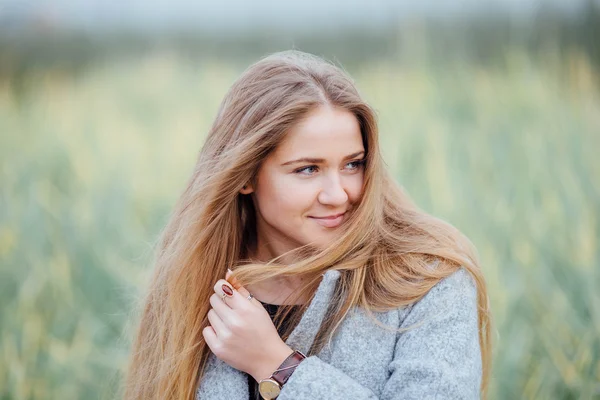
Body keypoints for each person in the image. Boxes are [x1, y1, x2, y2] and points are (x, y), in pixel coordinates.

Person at [123, 50, 492, 400]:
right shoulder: (193, 281)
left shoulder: (428, 280)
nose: (339, 194)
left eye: (353, 164)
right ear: (245, 176)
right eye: (308, 169)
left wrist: (277, 367)